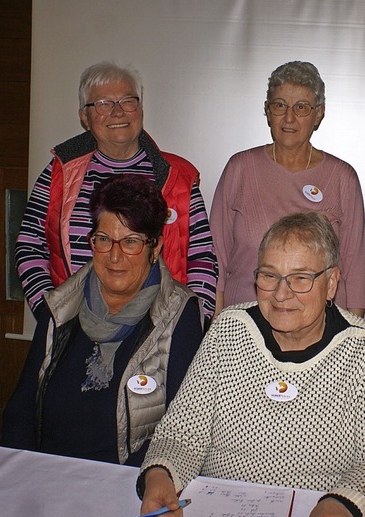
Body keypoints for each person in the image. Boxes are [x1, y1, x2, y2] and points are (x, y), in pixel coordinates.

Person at [136, 212, 365, 517]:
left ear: (331, 282)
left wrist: (343, 504)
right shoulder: (228, 329)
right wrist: (161, 474)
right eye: (269, 276)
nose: (281, 294)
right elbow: (182, 434)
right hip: (217, 512)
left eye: (300, 278)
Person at [1, 175, 205, 467]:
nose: (115, 256)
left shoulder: (179, 316)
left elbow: (183, 427)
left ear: (155, 247)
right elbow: (21, 411)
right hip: (48, 477)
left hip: (124, 484)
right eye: (104, 240)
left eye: (131, 241)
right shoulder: (60, 307)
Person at [15, 61, 217, 323]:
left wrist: (192, 323)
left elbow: (202, 257)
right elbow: (30, 244)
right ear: (84, 117)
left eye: (127, 101)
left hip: (158, 331)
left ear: (140, 109)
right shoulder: (59, 174)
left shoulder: (177, 176)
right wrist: (49, 312)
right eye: (102, 104)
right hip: (74, 325)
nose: (118, 112)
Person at [210, 60, 365, 318]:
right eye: (280, 105)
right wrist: (215, 328)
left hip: (319, 333)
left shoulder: (342, 178)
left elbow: (355, 270)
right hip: (244, 325)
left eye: (302, 107)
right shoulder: (239, 169)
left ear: (319, 114)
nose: (289, 117)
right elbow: (215, 259)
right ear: (267, 111)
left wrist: (353, 336)